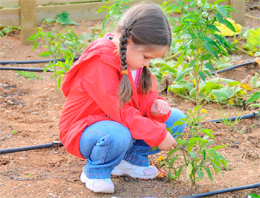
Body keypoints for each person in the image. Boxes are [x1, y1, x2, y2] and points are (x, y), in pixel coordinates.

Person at [59, 3, 186, 194]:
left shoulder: (134, 62)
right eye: (147, 57)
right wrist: (157, 134)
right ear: (131, 41)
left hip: (117, 122)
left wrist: (154, 108)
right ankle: (95, 172)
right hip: (85, 129)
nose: (147, 63)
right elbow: (119, 110)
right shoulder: (99, 61)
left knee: (176, 119)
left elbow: (140, 100)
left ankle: (130, 161)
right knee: (117, 135)